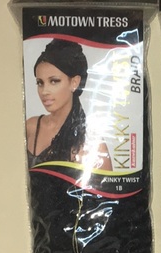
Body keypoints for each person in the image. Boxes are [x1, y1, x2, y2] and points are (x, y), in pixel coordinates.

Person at [26, 39, 112, 170]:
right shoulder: (30, 127)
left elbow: (107, 184)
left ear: (74, 82)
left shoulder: (93, 144)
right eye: (40, 83)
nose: (44, 91)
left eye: (54, 81)